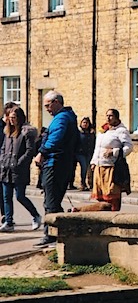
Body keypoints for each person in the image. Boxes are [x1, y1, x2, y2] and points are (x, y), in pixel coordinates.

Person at [33, 90, 79, 247]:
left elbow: (55, 139)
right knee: (53, 201)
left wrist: (41, 153)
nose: (46, 109)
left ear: (56, 102)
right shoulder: (65, 117)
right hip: (61, 164)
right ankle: (56, 233)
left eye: (48, 105)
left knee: (51, 202)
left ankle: (51, 235)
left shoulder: (62, 119)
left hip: (55, 164)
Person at [75, 108, 133, 212]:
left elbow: (129, 147)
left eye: (111, 116)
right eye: (107, 115)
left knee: (111, 195)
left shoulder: (121, 131)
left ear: (116, 117)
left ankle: (113, 214)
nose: (108, 118)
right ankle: (102, 216)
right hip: (99, 166)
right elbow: (97, 148)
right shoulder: (103, 131)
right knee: (101, 196)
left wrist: (114, 151)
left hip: (112, 166)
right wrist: (93, 161)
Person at [0, 105, 41, 232]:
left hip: (19, 170)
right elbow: (3, 148)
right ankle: (9, 221)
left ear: (20, 118)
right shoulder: (7, 132)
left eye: (14, 117)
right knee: (6, 197)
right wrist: (2, 160)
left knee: (20, 196)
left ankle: (35, 215)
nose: (11, 120)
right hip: (6, 168)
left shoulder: (25, 132)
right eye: (10, 117)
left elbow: (29, 151)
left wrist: (19, 163)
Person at [75, 117, 95, 191]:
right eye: (84, 122)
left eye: (86, 123)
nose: (85, 124)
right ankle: (82, 183)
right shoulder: (78, 133)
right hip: (80, 153)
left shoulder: (91, 133)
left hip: (89, 153)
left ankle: (90, 183)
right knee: (84, 167)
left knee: (89, 168)